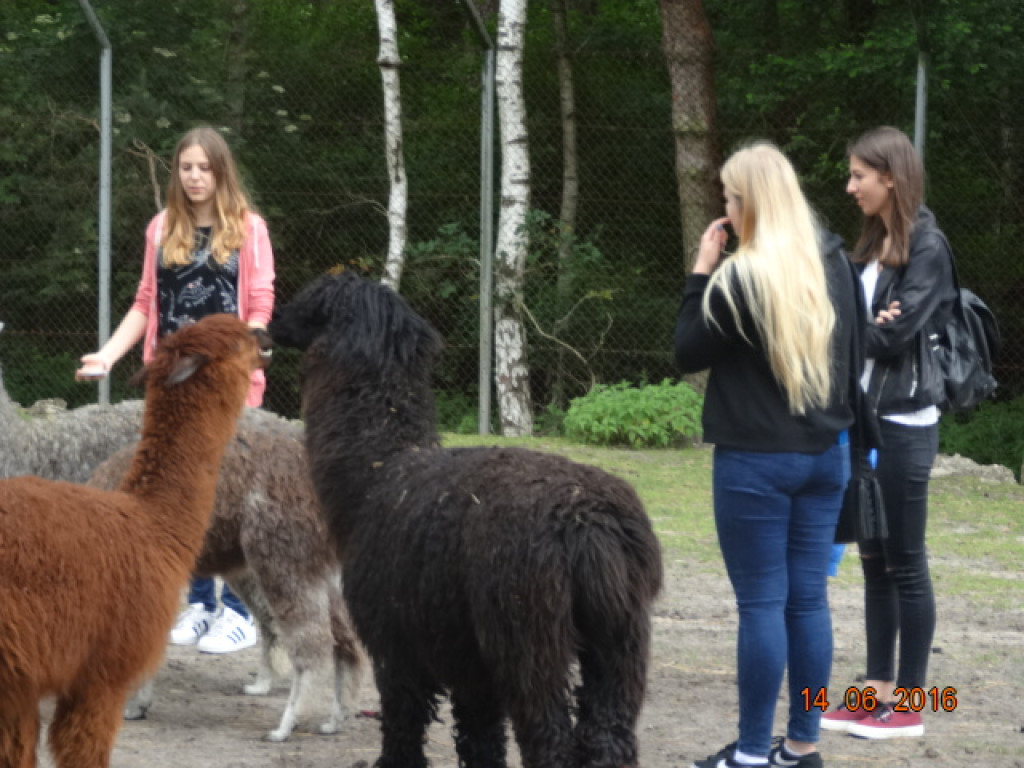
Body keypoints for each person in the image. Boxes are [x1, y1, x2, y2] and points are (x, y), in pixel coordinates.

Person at [675, 142, 865, 768]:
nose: (723, 207)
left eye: (729, 197)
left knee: (761, 606)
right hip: (824, 458)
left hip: (755, 462)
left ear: (748, 205)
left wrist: (702, 269)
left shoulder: (740, 275)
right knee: (808, 602)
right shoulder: (833, 260)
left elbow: (687, 351)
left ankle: (753, 753)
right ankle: (802, 745)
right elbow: (856, 356)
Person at [77, 125, 274, 654]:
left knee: (221, 488)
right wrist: (107, 356)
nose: (193, 176)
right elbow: (146, 303)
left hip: (224, 385)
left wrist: (250, 349)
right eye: (185, 167)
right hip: (172, 384)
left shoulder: (249, 229)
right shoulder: (162, 228)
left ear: (220, 171)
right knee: (172, 486)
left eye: (203, 168)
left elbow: (258, 305)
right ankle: (199, 602)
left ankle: (238, 613)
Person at [821, 126, 956, 739]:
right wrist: (862, 323)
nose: (849, 187)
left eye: (858, 176)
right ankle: (874, 693)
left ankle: (910, 704)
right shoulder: (871, 242)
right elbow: (854, 321)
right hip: (862, 423)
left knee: (906, 562)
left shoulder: (929, 245)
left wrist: (860, 328)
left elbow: (892, 335)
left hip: (904, 424)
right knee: (873, 561)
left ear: (891, 177)